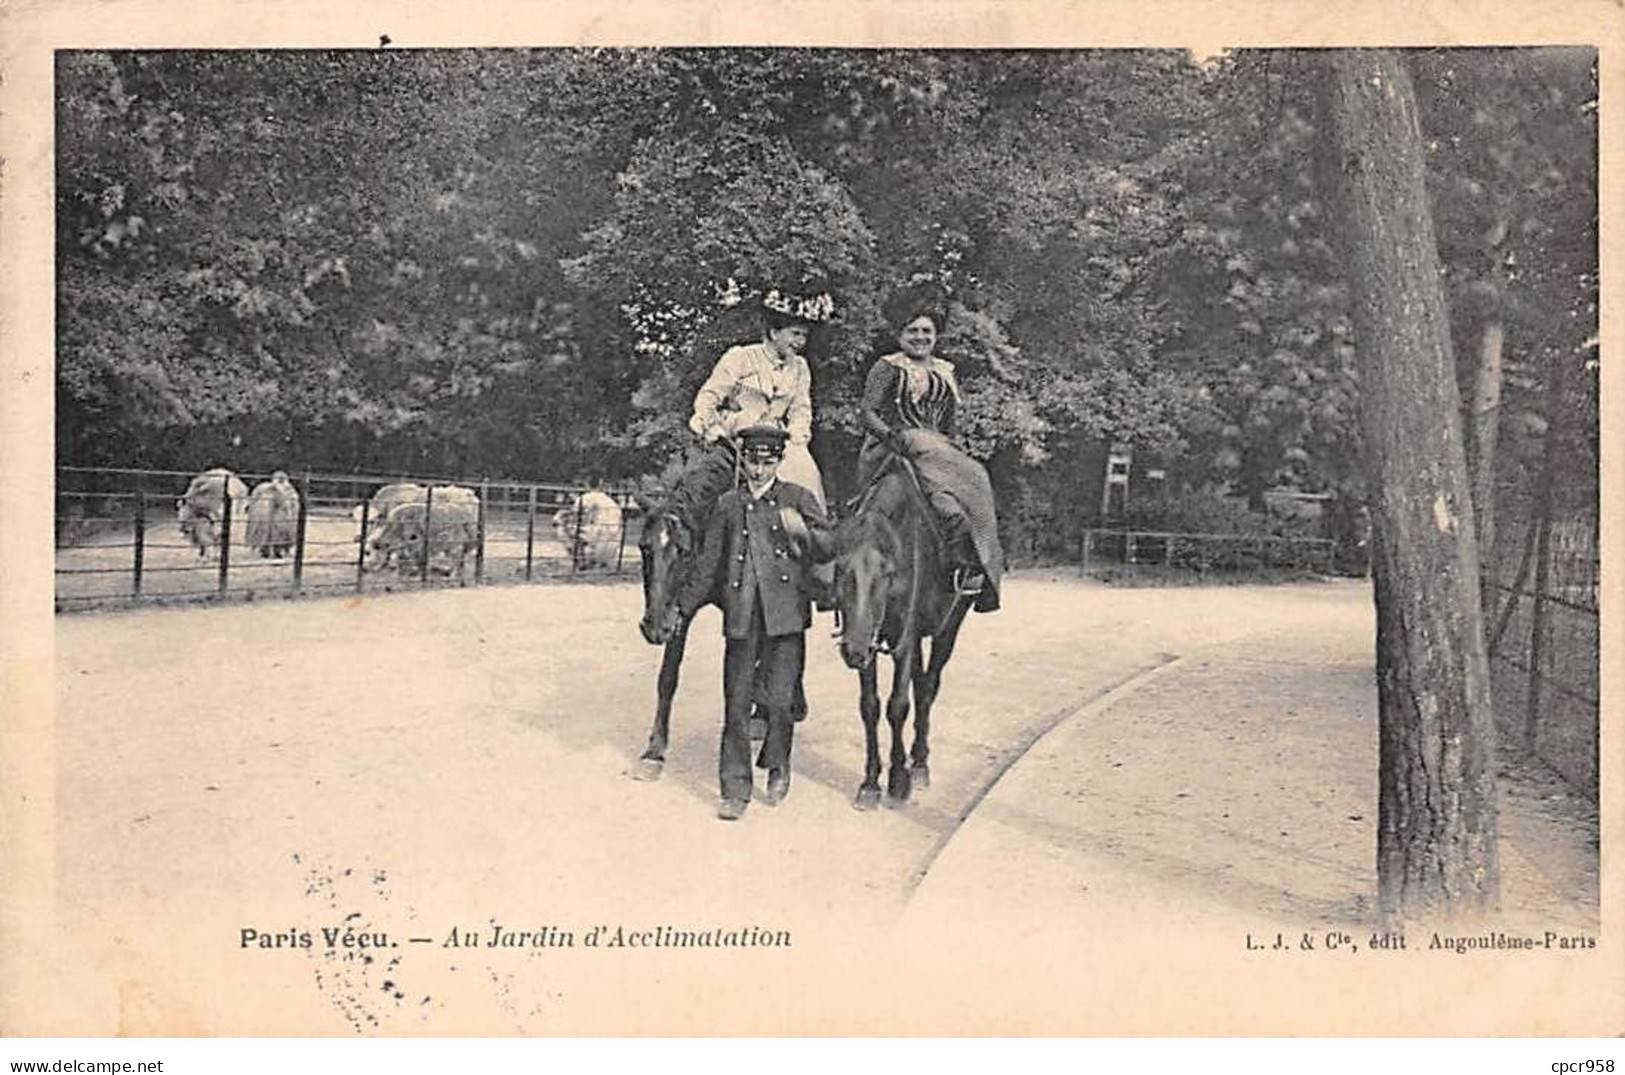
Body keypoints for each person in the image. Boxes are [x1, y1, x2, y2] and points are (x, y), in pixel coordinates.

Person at [675, 424, 835, 821]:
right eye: (752, 461)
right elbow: (710, 562)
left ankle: (778, 764)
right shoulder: (729, 504)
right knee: (735, 703)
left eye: (767, 462)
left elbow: (829, 546)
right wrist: (683, 606)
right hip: (743, 614)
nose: (758, 470)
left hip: (785, 616)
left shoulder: (797, 498)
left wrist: (803, 530)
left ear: (779, 462)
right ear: (743, 460)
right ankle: (735, 789)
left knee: (780, 703)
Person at [857, 289, 1004, 613]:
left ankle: (972, 568)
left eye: (927, 331)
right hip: (893, 450)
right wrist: (891, 436)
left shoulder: (945, 371)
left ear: (936, 335)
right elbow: (867, 412)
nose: (920, 337)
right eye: (912, 331)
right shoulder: (887, 367)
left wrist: (951, 456)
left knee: (965, 495)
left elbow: (948, 423)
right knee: (878, 511)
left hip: (936, 453)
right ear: (900, 335)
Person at [687, 285, 834, 509]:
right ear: (774, 333)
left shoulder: (800, 367)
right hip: (736, 439)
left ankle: (810, 535)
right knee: (705, 487)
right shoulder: (741, 357)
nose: (800, 342)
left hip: (778, 439)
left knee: (806, 475)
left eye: (804, 336)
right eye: (795, 334)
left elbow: (800, 409)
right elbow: (709, 397)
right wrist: (713, 428)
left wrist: (796, 437)